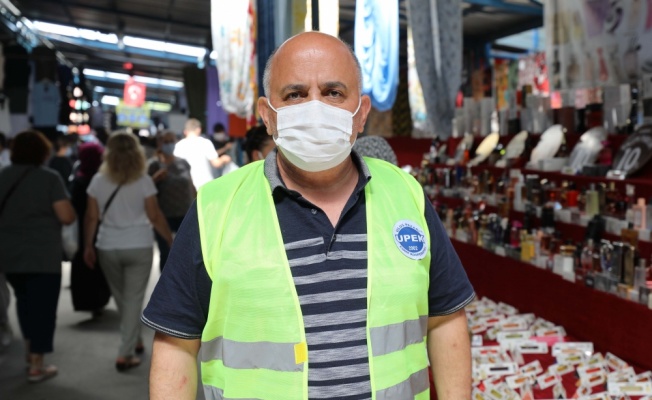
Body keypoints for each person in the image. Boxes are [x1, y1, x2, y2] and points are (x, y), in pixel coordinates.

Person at [143, 32, 474, 399]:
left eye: (333, 92)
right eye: (295, 94)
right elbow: (176, 343)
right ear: (268, 116)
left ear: (361, 113)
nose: (315, 108)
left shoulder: (406, 195)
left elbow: (445, 319)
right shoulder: (215, 206)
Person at [83, 131, 173, 372]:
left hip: (107, 246)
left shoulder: (98, 182)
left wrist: (88, 245)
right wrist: (169, 238)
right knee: (132, 299)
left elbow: (91, 217)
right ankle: (125, 353)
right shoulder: (143, 181)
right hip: (138, 245)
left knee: (122, 297)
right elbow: (154, 215)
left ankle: (133, 341)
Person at [0, 130, 76, 383]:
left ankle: (30, 352)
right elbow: (66, 216)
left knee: (24, 302)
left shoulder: (2, 176)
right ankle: (36, 364)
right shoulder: (50, 179)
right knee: (43, 308)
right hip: (43, 255)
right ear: (43, 152)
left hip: (9, 254)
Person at [69, 142, 111, 316]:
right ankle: (100, 299)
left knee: (85, 264)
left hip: (82, 230)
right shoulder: (104, 180)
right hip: (103, 228)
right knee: (100, 265)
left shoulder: (79, 181)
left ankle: (89, 301)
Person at [147, 130, 195, 271]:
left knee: (187, 254)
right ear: (159, 143)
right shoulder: (154, 165)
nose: (169, 145)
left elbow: (191, 186)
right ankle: (166, 288)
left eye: (171, 141)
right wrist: (155, 178)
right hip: (164, 216)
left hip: (185, 214)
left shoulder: (183, 162)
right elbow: (146, 189)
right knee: (166, 253)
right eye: (165, 141)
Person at [173, 118, 231, 189]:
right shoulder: (205, 143)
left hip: (187, 186)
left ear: (185, 131)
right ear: (198, 130)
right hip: (205, 185)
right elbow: (216, 163)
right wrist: (224, 159)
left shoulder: (179, 145)